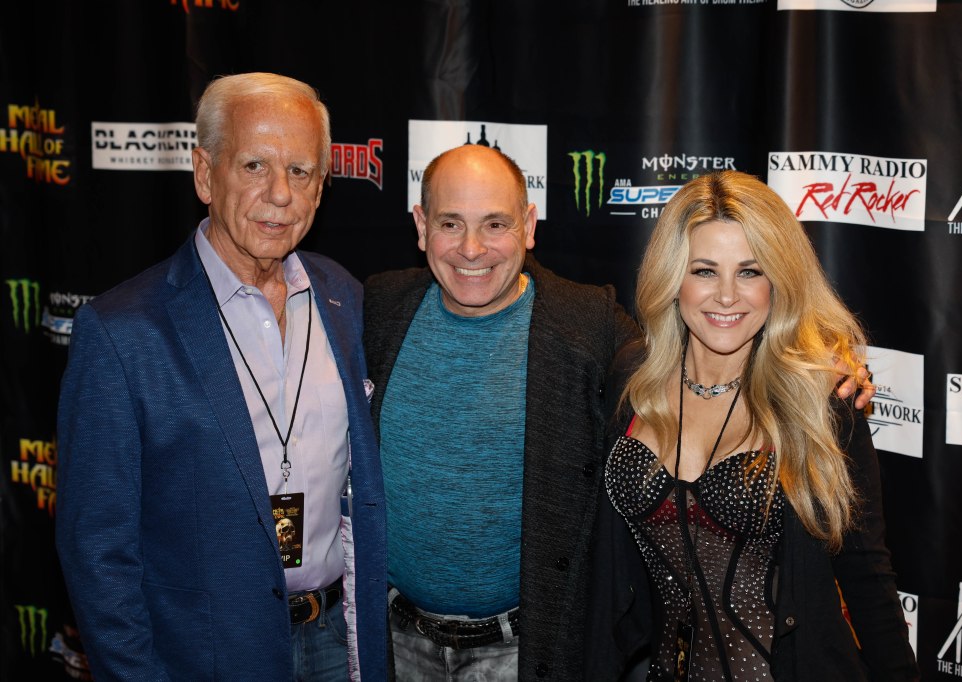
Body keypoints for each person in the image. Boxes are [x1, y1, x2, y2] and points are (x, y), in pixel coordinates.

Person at [364, 148, 874, 680]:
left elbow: (690, 343)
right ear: (421, 226)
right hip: (395, 642)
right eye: (451, 223)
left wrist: (824, 365)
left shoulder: (589, 323)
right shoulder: (378, 307)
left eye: (496, 223)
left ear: (529, 226)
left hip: (525, 651)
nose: (472, 248)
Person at [55, 72, 386, 682]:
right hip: (206, 656)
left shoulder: (344, 297)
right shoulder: (123, 332)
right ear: (205, 174)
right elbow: (97, 550)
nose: (280, 193)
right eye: (255, 165)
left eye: (301, 171)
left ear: (321, 188)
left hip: (339, 642)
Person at [601, 171, 918, 680]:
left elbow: (866, 575)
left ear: (778, 281)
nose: (727, 296)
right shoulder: (632, 379)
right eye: (705, 271)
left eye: (749, 271)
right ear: (673, 277)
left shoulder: (819, 399)